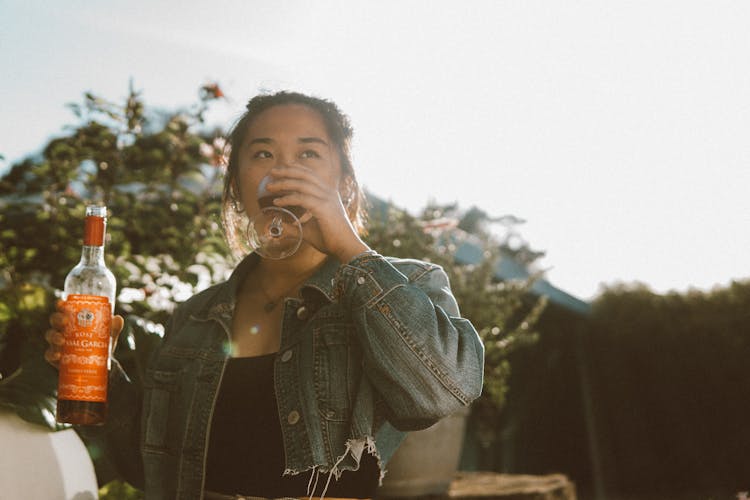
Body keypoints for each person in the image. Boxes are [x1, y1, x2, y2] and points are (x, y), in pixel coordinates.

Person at [45, 91, 485, 500]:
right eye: (263, 154)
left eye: (309, 153)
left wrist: (350, 249)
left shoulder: (403, 286)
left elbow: (440, 393)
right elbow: (150, 467)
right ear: (237, 185)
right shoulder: (195, 316)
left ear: (345, 185)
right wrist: (97, 371)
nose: (284, 171)